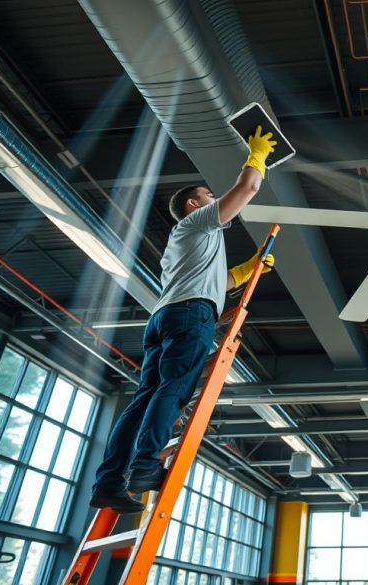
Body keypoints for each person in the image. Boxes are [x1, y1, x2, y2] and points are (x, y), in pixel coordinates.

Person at [88, 126, 278, 513]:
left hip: (167, 316)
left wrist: (248, 269)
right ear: (194, 205)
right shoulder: (196, 223)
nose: (214, 199)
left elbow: (217, 281)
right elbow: (247, 190)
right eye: (208, 196)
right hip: (190, 315)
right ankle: (144, 467)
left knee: (144, 400)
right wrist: (256, 157)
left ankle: (108, 483)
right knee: (172, 391)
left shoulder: (188, 243)